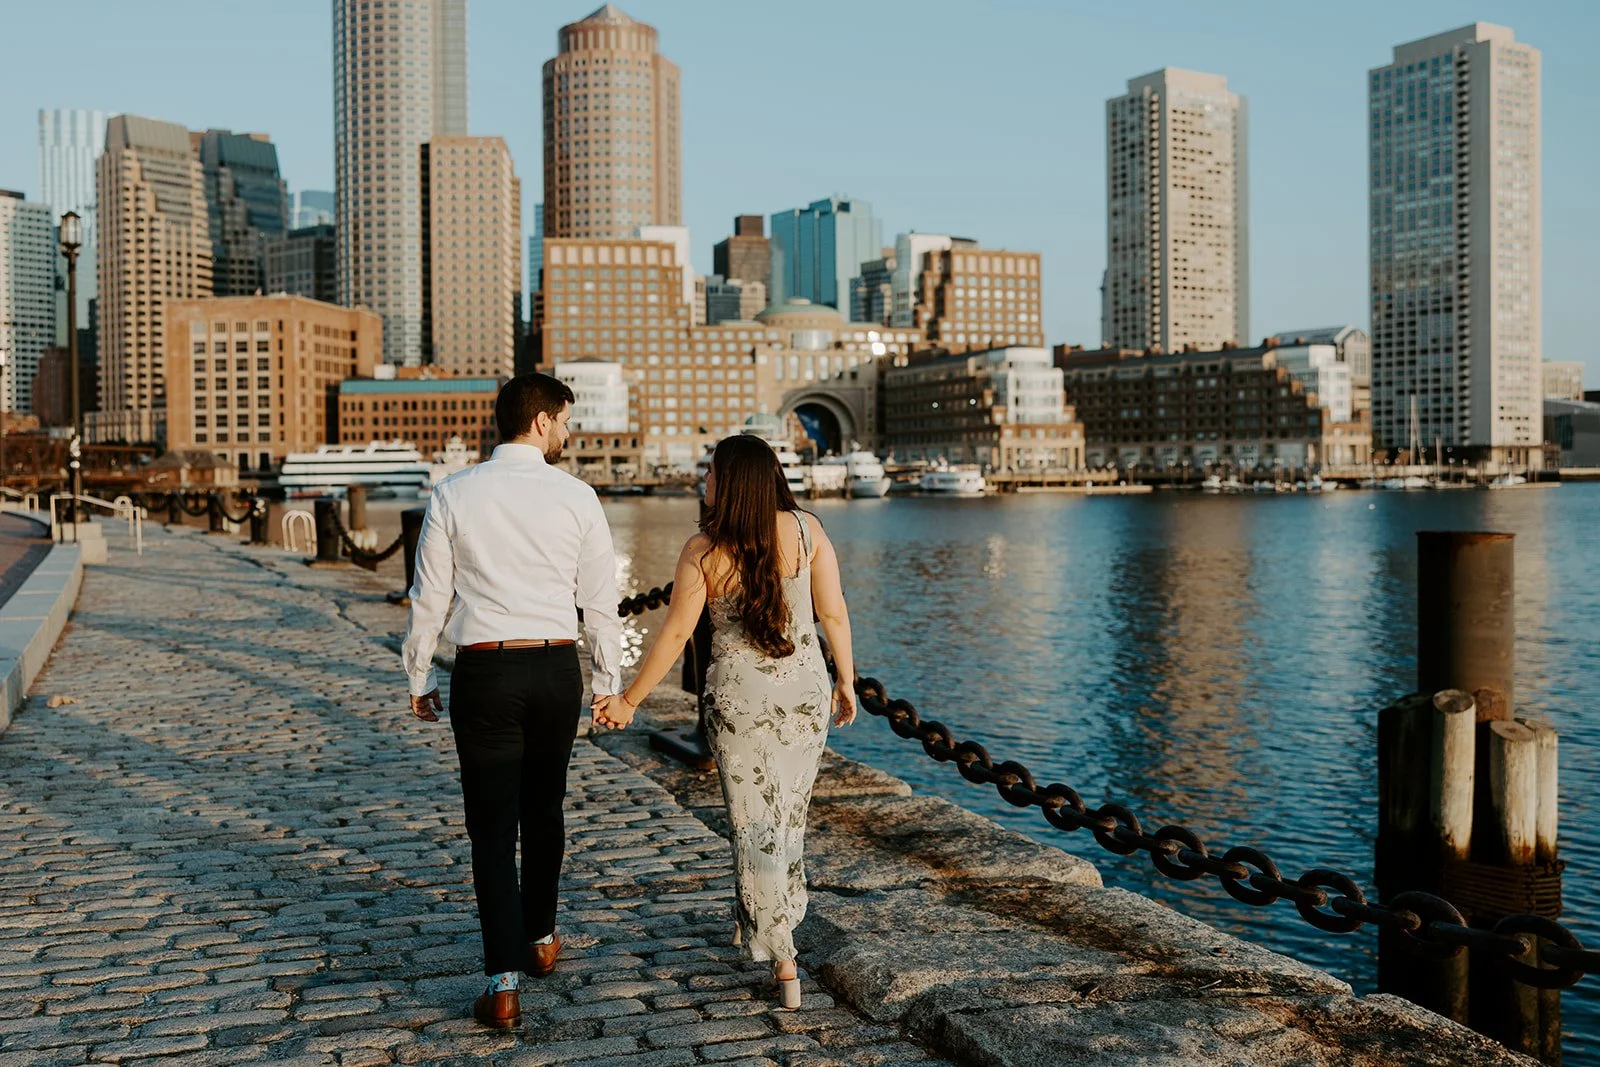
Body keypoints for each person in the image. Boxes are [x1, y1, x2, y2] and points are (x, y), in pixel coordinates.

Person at [592, 433, 856, 1010]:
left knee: (751, 822)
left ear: (731, 482)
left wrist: (630, 700)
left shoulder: (704, 549)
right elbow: (833, 611)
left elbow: (678, 633)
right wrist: (846, 679)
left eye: (711, 472)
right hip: (803, 695)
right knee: (787, 818)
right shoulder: (809, 530)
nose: (703, 481)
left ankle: (783, 958)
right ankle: (768, 922)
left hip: (739, 698)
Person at [401, 372, 623, 1030]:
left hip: (486, 672)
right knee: (544, 806)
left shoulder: (454, 493)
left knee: (492, 830)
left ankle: (501, 985)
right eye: (564, 420)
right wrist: (607, 681)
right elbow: (600, 602)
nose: (567, 430)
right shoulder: (578, 495)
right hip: (555, 667)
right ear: (541, 421)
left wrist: (418, 678)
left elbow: (429, 596)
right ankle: (542, 937)